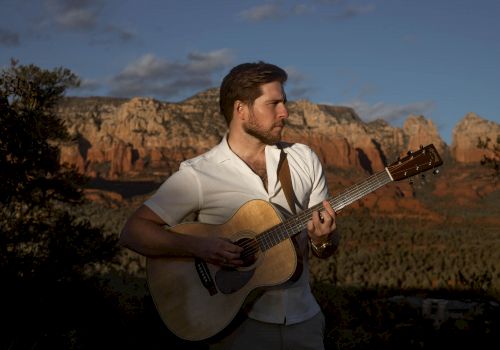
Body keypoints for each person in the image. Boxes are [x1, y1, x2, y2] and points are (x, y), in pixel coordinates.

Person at [119, 61, 340, 350]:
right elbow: (133, 231)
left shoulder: (304, 159)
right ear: (241, 110)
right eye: (273, 103)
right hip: (237, 328)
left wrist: (322, 241)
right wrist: (200, 247)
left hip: (304, 322)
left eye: (284, 103)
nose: (285, 112)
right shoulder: (200, 173)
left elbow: (326, 246)